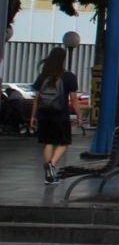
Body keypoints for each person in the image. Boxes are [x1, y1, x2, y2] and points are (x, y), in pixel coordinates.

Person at [31, 46, 82, 184]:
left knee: (48, 142)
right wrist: (79, 115)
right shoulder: (68, 76)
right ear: (63, 60)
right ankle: (51, 165)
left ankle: (49, 171)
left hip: (43, 114)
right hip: (60, 114)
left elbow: (36, 98)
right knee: (64, 142)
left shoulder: (42, 76)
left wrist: (33, 116)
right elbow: (74, 99)